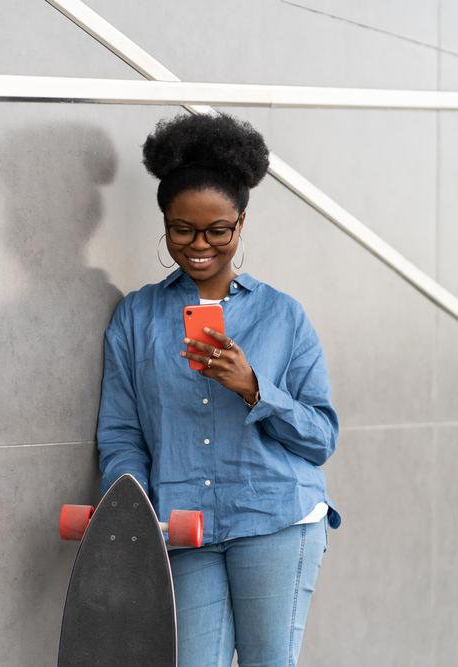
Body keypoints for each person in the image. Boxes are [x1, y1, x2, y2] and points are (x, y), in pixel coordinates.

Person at [96, 111, 340, 666]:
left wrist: (253, 387)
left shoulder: (283, 316)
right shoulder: (135, 318)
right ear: (165, 223)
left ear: (241, 225)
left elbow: (322, 437)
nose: (199, 244)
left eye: (217, 230)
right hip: (184, 526)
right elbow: (121, 432)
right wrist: (132, 507)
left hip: (276, 518)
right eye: (183, 229)